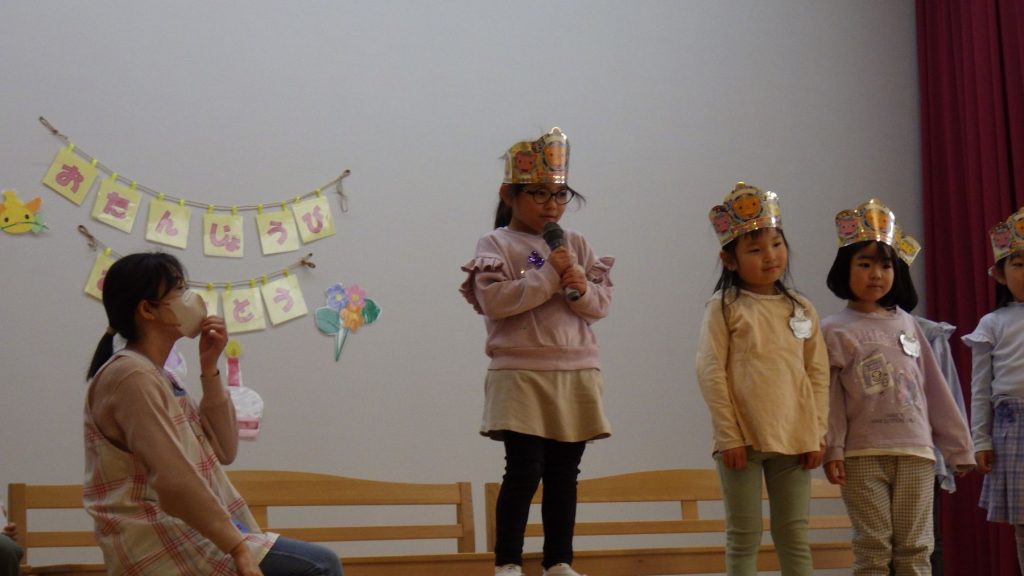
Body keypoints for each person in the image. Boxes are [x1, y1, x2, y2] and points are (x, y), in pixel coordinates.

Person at [83, 252, 343, 576]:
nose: (193, 299)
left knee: (316, 563)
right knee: (319, 565)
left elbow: (224, 449)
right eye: (179, 290)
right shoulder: (131, 376)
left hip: (189, 531)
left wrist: (209, 369)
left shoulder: (158, 375)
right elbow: (173, 480)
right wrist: (237, 548)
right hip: (160, 538)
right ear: (147, 309)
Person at [460, 127, 613, 576]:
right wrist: (549, 272)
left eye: (560, 194)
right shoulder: (496, 244)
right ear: (509, 194)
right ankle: (508, 561)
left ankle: (558, 561)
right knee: (524, 470)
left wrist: (580, 287)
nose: (552, 205)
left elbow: (599, 306)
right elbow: (497, 301)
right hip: (521, 372)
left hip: (577, 370)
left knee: (565, 475)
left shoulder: (577, 243)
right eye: (540, 193)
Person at [821, 199, 974, 575]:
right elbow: (830, 399)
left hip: (916, 454)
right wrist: (833, 449)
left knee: (916, 547)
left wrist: (958, 445)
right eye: (865, 264)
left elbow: (933, 388)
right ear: (845, 268)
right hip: (862, 455)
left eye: (886, 265)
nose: (876, 274)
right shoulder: (833, 329)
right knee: (873, 547)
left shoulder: (908, 324)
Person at [696, 182, 829, 575]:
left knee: (794, 535)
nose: (770, 256)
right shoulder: (724, 307)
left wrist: (817, 432)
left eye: (776, 244)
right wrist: (729, 436)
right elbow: (710, 371)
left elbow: (817, 373)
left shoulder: (801, 307)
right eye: (755, 250)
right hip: (743, 440)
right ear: (729, 259)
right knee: (744, 535)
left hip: (795, 439)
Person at [962, 206, 1024, 575]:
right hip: (1012, 427)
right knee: (1023, 522)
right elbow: (980, 386)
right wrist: (980, 440)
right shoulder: (993, 323)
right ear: (1000, 273)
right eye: (1019, 264)